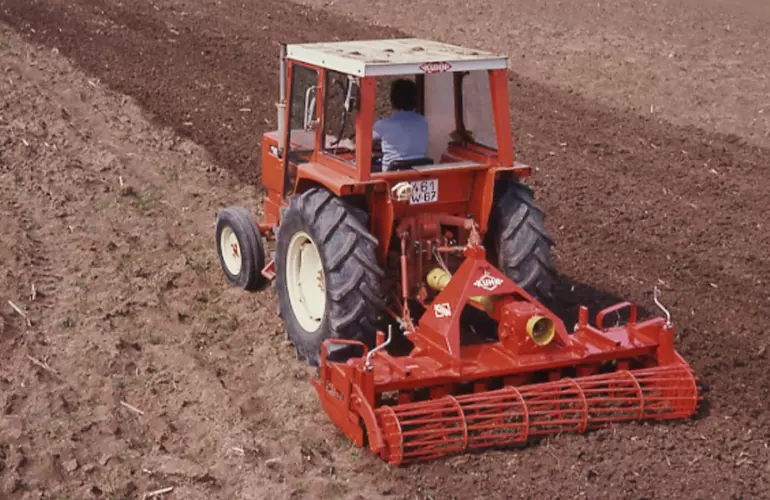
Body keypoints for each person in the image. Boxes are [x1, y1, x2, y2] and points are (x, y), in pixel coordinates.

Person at [372, 78, 429, 172]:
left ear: (392, 100)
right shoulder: (423, 121)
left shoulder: (382, 125)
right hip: (419, 173)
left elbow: (364, 145)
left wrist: (350, 145)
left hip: (391, 175)